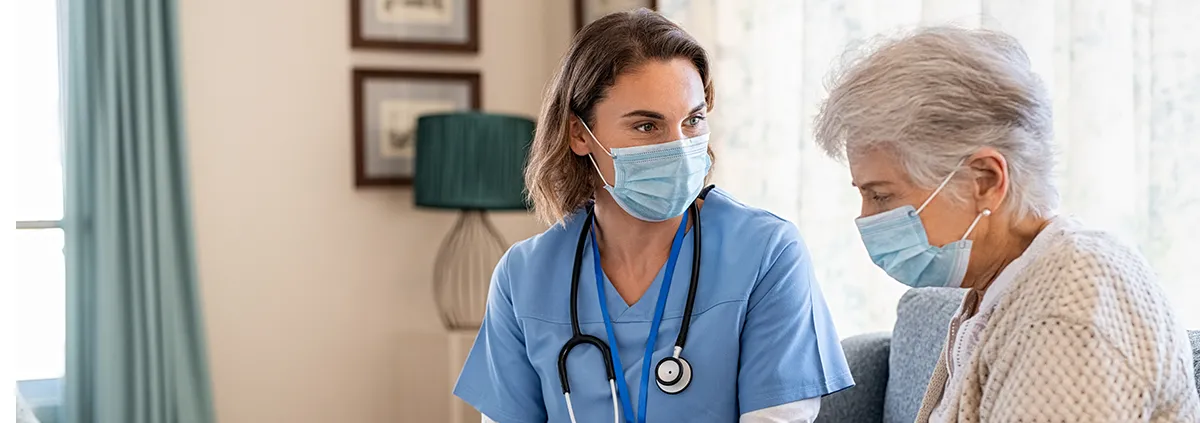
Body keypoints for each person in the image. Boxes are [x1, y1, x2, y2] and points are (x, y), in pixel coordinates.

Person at [453, 9, 853, 423]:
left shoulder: (765, 253)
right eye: (647, 126)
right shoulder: (524, 276)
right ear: (579, 134)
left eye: (693, 121)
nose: (679, 147)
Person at [813, 26, 1200, 422]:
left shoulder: (1067, 310)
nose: (865, 217)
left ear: (986, 179)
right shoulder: (1004, 286)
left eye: (881, 195)